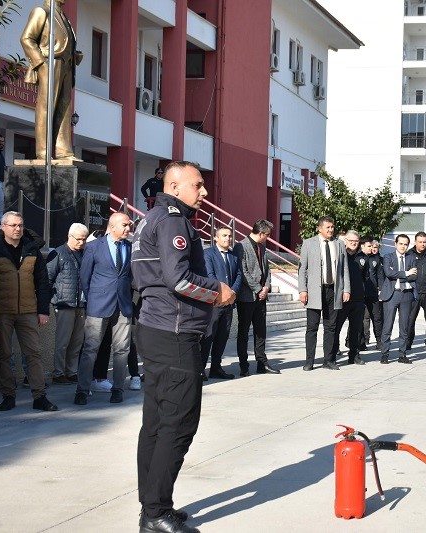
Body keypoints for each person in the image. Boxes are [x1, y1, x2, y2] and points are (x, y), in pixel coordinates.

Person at [131, 161, 236, 533]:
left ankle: (154, 505)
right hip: (174, 334)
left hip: (155, 329)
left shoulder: (149, 217)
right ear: (174, 186)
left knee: (156, 424)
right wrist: (217, 292)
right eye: (198, 185)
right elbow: (178, 279)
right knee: (178, 424)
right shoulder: (173, 219)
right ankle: (155, 512)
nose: (204, 192)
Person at [0, 211, 56, 411]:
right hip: (2, 312)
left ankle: (39, 396)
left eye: (20, 225)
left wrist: (43, 310)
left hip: (28, 310)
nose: (17, 229)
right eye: (13, 225)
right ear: (3, 227)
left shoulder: (31, 248)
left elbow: (42, 282)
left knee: (34, 353)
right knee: (4, 354)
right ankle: (8, 396)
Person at [74, 213, 133, 405]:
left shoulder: (130, 247)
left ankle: (118, 388)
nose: (128, 229)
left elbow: (129, 276)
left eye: (129, 225)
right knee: (90, 349)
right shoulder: (93, 247)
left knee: (122, 349)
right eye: (125, 225)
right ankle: (82, 390)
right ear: (113, 226)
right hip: (98, 305)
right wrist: (94, 298)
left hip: (123, 305)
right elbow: (85, 278)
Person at [20, 0, 83, 160]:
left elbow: (63, 41)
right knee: (47, 105)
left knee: (64, 107)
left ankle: (63, 152)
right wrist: (40, 63)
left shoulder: (64, 17)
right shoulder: (41, 12)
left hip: (67, 64)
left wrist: (74, 56)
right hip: (50, 62)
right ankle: (43, 152)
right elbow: (27, 38)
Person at [298, 216, 350, 371]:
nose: (331, 230)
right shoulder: (308, 243)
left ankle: (329, 360)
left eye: (332, 227)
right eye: (327, 227)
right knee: (312, 327)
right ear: (319, 228)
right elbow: (302, 269)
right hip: (315, 291)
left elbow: (344, 268)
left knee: (331, 327)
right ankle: (309, 361)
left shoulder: (339, 244)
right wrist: (302, 289)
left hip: (333, 290)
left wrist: (346, 289)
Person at [233, 219, 280, 376]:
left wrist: (266, 287)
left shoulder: (262, 247)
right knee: (244, 332)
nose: (267, 237)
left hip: (261, 297)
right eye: (267, 235)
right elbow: (243, 272)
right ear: (260, 233)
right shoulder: (241, 246)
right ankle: (243, 365)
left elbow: (267, 270)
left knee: (261, 332)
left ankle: (262, 363)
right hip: (247, 298)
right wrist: (258, 288)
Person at [47, 222, 89, 385]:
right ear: (69, 236)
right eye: (78, 239)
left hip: (81, 304)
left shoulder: (85, 253)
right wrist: (53, 300)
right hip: (64, 304)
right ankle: (58, 372)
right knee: (62, 342)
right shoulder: (58, 253)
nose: (81, 242)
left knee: (77, 341)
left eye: (84, 239)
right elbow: (48, 278)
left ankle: (71, 371)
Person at [200, 226, 241, 380]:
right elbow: (209, 275)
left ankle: (216, 368)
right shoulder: (208, 254)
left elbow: (238, 275)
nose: (227, 238)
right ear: (216, 238)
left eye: (230, 236)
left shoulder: (233, 255)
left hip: (229, 303)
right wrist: (221, 292)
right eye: (224, 235)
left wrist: (232, 292)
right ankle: (201, 369)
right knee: (208, 336)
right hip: (213, 302)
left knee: (222, 336)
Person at [380, 234, 417, 364]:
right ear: (396, 244)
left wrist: (397, 273)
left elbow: (414, 277)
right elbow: (388, 273)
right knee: (387, 325)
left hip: (406, 294)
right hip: (392, 294)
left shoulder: (411, 258)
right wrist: (406, 273)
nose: (403, 246)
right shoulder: (388, 257)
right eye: (401, 243)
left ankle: (402, 354)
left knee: (404, 326)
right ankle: (385, 354)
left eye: (406, 244)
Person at [335, 230, 368, 365]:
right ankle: (332, 355)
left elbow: (365, 277)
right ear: (345, 241)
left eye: (356, 241)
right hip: (342, 299)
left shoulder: (363, 257)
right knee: (336, 328)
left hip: (358, 299)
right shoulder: (339, 255)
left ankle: (354, 355)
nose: (354, 243)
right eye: (351, 241)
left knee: (356, 329)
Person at [359, 237, 383, 351]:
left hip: (373, 293)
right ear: (362, 246)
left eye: (372, 246)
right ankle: (362, 342)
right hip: (360, 293)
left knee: (377, 318)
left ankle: (379, 341)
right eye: (369, 246)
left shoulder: (376, 259)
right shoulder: (358, 257)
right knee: (362, 319)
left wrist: (381, 289)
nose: (372, 248)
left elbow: (380, 275)